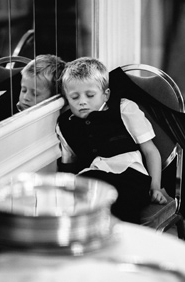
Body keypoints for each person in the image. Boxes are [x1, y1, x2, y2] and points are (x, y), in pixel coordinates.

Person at [55, 57, 169, 224]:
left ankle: (125, 242)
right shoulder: (66, 124)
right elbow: (68, 162)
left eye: (90, 95)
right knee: (79, 202)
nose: (82, 102)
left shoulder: (124, 109)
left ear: (105, 94)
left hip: (130, 175)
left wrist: (155, 187)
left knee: (121, 204)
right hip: (93, 175)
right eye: (74, 97)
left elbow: (150, 151)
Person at [0, 54, 65, 121]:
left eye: (35, 94)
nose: (26, 97)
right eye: (24, 90)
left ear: (53, 97)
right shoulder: (1, 108)